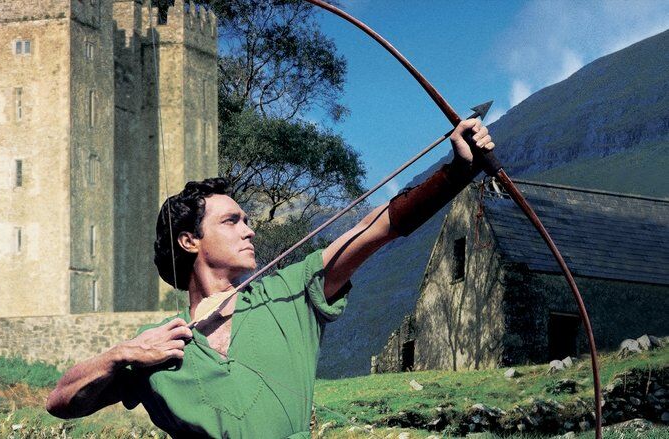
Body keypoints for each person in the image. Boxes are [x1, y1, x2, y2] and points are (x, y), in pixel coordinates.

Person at [46, 119, 495, 437]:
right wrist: (122, 354)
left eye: (247, 220)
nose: (250, 230)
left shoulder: (291, 293)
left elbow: (375, 229)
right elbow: (62, 402)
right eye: (231, 221)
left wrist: (458, 171)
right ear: (189, 241)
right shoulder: (159, 344)